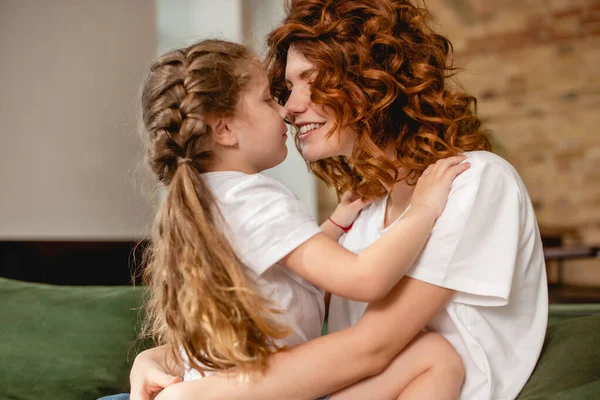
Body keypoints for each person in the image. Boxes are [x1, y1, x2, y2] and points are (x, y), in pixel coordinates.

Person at [129, 1, 549, 399]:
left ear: (372, 79)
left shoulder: (471, 181)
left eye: (310, 81)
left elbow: (371, 348)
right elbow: (264, 313)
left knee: (434, 354)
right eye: (284, 89)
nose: (290, 109)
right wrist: (156, 358)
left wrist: (205, 391)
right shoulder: (365, 213)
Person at [99, 37, 470, 400]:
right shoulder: (253, 198)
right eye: (268, 99)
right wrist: (423, 208)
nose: (286, 110)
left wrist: (337, 224)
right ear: (224, 130)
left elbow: (281, 273)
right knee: (435, 355)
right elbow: (364, 278)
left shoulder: (208, 201)